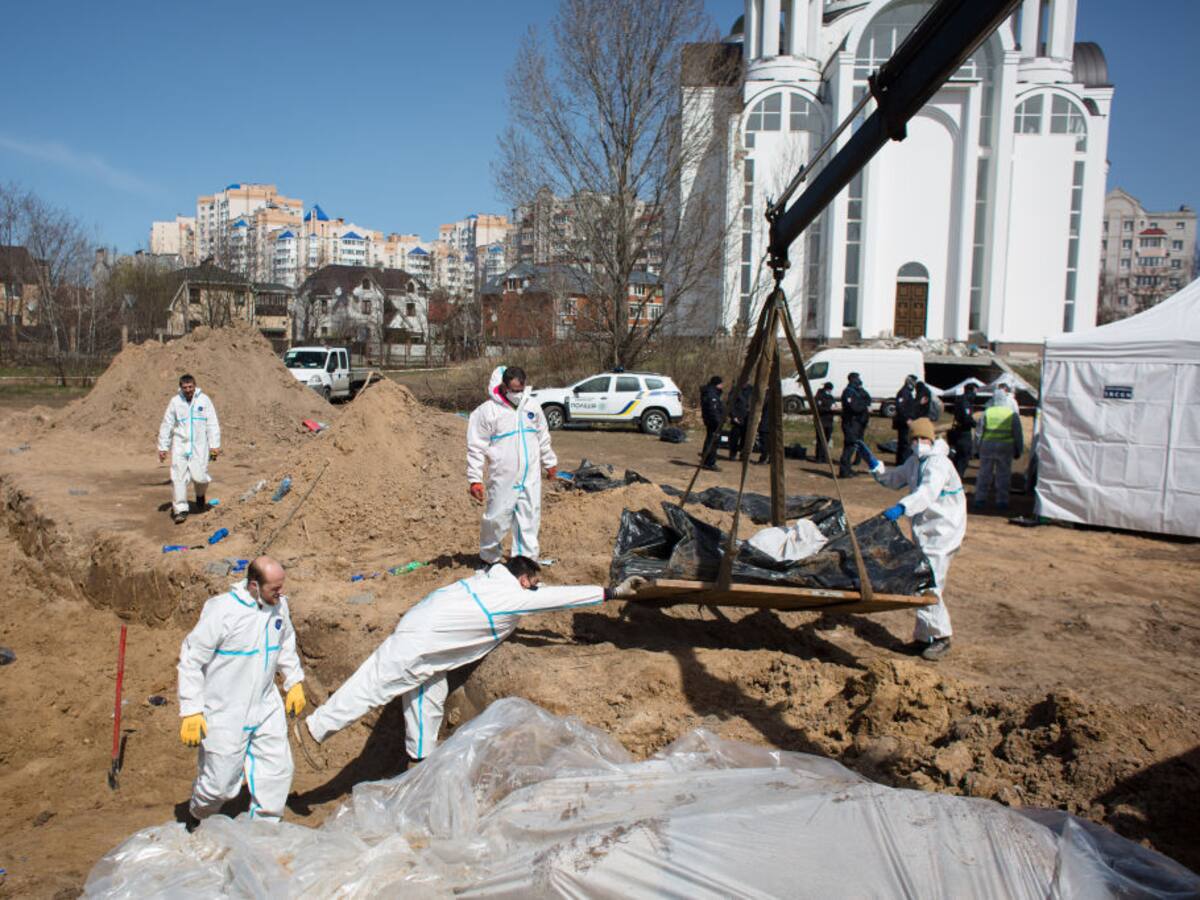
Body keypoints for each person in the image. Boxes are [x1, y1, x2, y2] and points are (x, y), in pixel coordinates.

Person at [294, 558, 646, 768]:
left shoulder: (485, 581)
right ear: (523, 580)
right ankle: (313, 730)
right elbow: (559, 598)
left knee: (427, 698)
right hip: (417, 644)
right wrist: (612, 592)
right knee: (371, 686)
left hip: (428, 645)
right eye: (534, 585)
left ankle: (420, 764)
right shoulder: (509, 595)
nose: (536, 591)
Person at [177, 557, 306, 825]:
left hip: (265, 703)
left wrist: (294, 682)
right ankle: (198, 816)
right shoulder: (223, 611)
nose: (280, 593)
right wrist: (191, 710)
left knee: (277, 770)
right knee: (220, 786)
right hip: (226, 710)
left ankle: (264, 828)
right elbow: (191, 660)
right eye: (274, 588)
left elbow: (286, 643)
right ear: (254, 586)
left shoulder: (279, 606)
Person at [856, 419, 966, 661]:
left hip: (943, 531)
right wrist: (875, 465)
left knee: (927, 582)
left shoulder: (939, 464)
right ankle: (924, 637)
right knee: (922, 580)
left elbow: (927, 493)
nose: (918, 443)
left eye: (923, 438)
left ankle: (941, 637)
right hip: (926, 531)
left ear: (931, 439)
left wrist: (901, 508)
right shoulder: (915, 461)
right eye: (914, 439)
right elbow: (895, 478)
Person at [466, 366, 557, 564]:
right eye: (513, 390)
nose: (517, 394)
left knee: (529, 518)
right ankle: (489, 558)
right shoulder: (487, 412)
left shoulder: (532, 406)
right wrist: (475, 479)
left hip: (530, 475)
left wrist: (549, 461)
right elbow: (476, 447)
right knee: (496, 519)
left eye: (520, 390)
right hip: (503, 476)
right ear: (504, 386)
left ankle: (525, 562)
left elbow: (543, 436)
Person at [158, 374, 221, 524]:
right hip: (180, 445)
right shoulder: (175, 402)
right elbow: (167, 424)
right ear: (180, 388)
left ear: (195, 386)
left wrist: (214, 445)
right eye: (185, 387)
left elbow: (212, 424)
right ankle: (180, 510)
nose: (188, 390)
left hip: (199, 446)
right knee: (178, 477)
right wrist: (163, 447)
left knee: (200, 477)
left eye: (190, 387)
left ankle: (200, 494)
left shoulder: (204, 400)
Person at [973, 386, 1024, 511]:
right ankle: (1002, 501)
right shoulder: (1012, 414)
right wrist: (1019, 449)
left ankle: (980, 499)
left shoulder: (987, 413)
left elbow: (978, 433)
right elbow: (1018, 434)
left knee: (984, 473)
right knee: (1003, 475)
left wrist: (976, 449)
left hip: (987, 446)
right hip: (1005, 447)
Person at [838, 373, 872, 478]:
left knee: (853, 447)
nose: (859, 380)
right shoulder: (848, 392)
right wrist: (864, 405)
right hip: (850, 423)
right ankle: (844, 471)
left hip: (858, 423)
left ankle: (848, 469)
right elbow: (854, 407)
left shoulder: (858, 390)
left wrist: (862, 393)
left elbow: (868, 398)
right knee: (849, 446)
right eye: (857, 378)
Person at [947, 383, 978, 479]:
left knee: (957, 456)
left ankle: (954, 477)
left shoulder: (960, 399)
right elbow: (966, 418)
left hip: (957, 431)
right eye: (975, 391)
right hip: (963, 433)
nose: (976, 394)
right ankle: (957, 479)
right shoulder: (965, 402)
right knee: (964, 456)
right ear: (971, 391)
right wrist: (975, 424)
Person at [700, 375, 725, 471]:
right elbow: (712, 410)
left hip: (711, 420)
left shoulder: (712, 392)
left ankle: (706, 460)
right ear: (717, 384)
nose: (722, 386)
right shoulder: (711, 394)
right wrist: (718, 422)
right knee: (713, 442)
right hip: (713, 422)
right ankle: (709, 462)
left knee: (710, 440)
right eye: (721, 384)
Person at [892, 376, 918, 465]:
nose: (914, 384)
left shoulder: (908, 393)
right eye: (913, 382)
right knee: (905, 444)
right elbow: (900, 407)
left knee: (904, 444)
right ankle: (903, 463)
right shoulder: (904, 392)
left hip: (906, 422)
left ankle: (901, 463)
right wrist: (907, 419)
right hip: (904, 423)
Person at [728, 384, 752, 461]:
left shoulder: (751, 389)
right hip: (737, 418)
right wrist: (733, 416)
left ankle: (742, 454)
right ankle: (733, 454)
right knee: (734, 438)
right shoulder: (735, 390)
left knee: (745, 438)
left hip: (747, 419)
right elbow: (730, 404)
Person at [814, 382, 835, 463]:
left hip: (829, 420)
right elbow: (818, 407)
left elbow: (834, 404)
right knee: (820, 439)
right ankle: (819, 457)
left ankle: (824, 456)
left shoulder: (831, 397)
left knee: (827, 439)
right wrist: (828, 409)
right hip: (821, 420)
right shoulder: (819, 396)